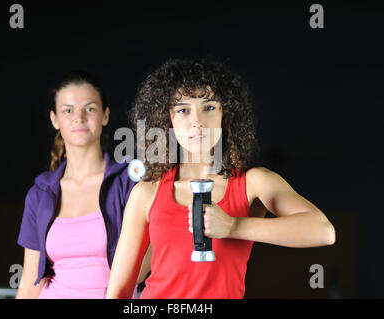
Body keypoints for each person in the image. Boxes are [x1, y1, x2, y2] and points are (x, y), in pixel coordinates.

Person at [106, 58, 336, 299]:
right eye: (183, 110)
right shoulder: (146, 193)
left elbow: (323, 231)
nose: (197, 121)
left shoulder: (253, 184)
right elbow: (119, 290)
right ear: (168, 120)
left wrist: (233, 226)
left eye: (209, 107)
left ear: (226, 113)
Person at [15, 71, 149, 299]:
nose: (79, 117)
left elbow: (141, 270)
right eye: (68, 110)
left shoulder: (130, 183)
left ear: (105, 115)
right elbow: (29, 285)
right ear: (54, 119)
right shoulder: (40, 194)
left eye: (90, 108)